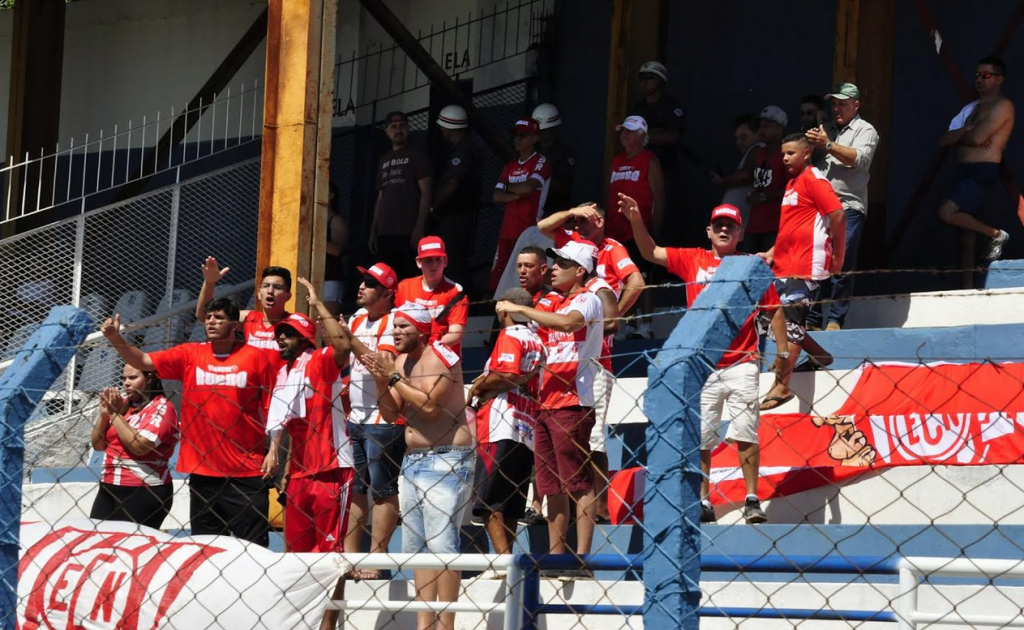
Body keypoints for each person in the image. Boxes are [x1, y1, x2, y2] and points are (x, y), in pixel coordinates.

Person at [620, 194, 789, 524]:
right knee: (701, 437)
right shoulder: (691, 259)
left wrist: (782, 353)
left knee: (746, 432)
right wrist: (636, 219)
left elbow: (774, 310)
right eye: (719, 226)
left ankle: (752, 499)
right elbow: (649, 252)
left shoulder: (751, 266)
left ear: (741, 234)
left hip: (743, 361)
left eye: (731, 226)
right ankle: (703, 500)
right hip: (704, 366)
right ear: (708, 232)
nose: (724, 230)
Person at [101, 297, 276, 545]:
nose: (212, 322)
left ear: (236, 325)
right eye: (209, 317)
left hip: (246, 471)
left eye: (220, 317)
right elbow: (143, 361)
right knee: (206, 550)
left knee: (255, 548)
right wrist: (115, 339)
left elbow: (274, 407)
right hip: (203, 474)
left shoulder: (256, 357)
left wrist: (276, 448)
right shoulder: (189, 353)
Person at [361, 303, 475, 630]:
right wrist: (382, 382)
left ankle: (446, 625)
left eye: (403, 327)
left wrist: (392, 376)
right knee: (416, 547)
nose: (395, 332)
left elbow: (428, 406)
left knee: (442, 545)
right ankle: (424, 625)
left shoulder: (441, 356)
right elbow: (392, 412)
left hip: (446, 460)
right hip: (412, 462)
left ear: (422, 330)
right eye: (394, 326)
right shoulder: (400, 361)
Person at [494, 239, 603, 578]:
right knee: (550, 485)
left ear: (580, 271)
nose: (553, 268)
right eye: (553, 262)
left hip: (573, 402)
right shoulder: (552, 300)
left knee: (578, 482)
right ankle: (558, 558)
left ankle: (581, 559)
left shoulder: (589, 299)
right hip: (544, 402)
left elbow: (569, 324)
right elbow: (528, 336)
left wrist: (522, 310)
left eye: (561, 264)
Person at [538, 203, 638, 520]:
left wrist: (594, 319)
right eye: (576, 221)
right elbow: (541, 227)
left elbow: (634, 284)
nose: (579, 225)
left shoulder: (605, 262)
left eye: (586, 220)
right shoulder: (570, 247)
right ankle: (565, 505)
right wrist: (570, 212)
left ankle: (599, 507)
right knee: (556, 439)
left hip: (595, 363)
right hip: (560, 368)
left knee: (593, 440)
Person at [265, 284, 353, 630]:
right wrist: (281, 461)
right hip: (300, 475)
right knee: (296, 560)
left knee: (331, 559)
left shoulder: (319, 361)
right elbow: (290, 426)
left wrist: (318, 305)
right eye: (279, 335)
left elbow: (343, 345)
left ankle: (327, 626)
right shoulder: (283, 374)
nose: (280, 340)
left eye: (288, 335)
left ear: (305, 338)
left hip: (332, 469)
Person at [757, 134, 846, 410]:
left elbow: (838, 215)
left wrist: (839, 258)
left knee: (791, 319)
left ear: (806, 153)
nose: (784, 158)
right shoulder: (792, 183)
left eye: (790, 153)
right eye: (783, 154)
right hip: (786, 263)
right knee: (773, 318)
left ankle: (782, 385)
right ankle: (820, 356)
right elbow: (792, 226)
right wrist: (773, 252)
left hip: (805, 264)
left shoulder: (813, 178)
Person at [468, 287, 544, 575]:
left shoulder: (510, 336)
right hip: (525, 425)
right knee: (510, 501)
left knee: (487, 499)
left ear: (506, 309)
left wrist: (477, 387)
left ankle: (502, 562)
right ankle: (507, 559)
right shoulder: (537, 340)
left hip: (499, 422)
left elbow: (508, 375)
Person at [341, 262, 402, 577]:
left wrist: (348, 339)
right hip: (356, 416)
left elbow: (381, 363)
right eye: (362, 280)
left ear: (387, 293)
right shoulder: (356, 319)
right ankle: (351, 561)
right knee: (357, 490)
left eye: (370, 283)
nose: (361, 286)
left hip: (383, 419)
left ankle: (377, 561)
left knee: (382, 489)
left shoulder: (394, 322)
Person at [806, 83, 880, 330]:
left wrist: (827, 144)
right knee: (816, 260)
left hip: (847, 204)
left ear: (856, 105)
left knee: (842, 260)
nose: (836, 108)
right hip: (819, 206)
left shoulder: (865, 130)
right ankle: (814, 319)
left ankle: (836, 318)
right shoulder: (825, 129)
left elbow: (859, 160)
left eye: (842, 104)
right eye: (834, 104)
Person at [937, 56, 1016, 288]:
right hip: (964, 169)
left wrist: (965, 134)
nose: (980, 80)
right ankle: (968, 288)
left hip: (983, 170)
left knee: (946, 212)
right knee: (965, 235)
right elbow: (944, 140)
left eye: (987, 75)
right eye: (978, 76)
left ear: (1000, 79)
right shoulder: (972, 108)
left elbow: (977, 138)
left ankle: (995, 234)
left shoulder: (1003, 105)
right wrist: (968, 131)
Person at [89, 365, 179, 529]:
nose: (126, 383)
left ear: (150, 379)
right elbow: (98, 445)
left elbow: (139, 447)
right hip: (109, 485)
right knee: (99, 540)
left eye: (133, 378)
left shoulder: (162, 408)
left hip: (143, 489)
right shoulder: (122, 405)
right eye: (124, 379)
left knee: (131, 545)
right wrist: (104, 414)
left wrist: (114, 414)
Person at [606, 115, 664, 339]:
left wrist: (653, 230)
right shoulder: (616, 161)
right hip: (616, 230)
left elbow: (659, 197)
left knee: (644, 276)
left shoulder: (649, 160)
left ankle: (646, 326)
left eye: (630, 131)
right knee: (623, 278)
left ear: (642, 135)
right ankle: (628, 325)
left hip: (639, 229)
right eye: (623, 131)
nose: (624, 135)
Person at [197, 260, 293, 372]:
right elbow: (203, 316)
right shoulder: (249, 318)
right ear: (258, 293)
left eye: (277, 287)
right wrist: (209, 283)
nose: (270, 291)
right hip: (252, 387)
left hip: (281, 387)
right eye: (266, 286)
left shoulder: (294, 323)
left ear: (288, 296)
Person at [370, 111, 433, 279]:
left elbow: (426, 192)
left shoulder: (418, 155)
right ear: (386, 131)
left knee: (409, 279)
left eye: (402, 125)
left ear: (408, 128)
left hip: (408, 232)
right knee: (386, 280)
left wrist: (419, 226)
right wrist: (373, 230)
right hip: (385, 233)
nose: (398, 130)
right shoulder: (383, 160)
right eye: (393, 127)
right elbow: (381, 196)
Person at [491, 118, 551, 291]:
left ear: (535, 138)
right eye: (515, 135)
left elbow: (528, 188)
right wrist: (517, 194)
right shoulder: (510, 166)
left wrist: (508, 189)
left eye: (523, 135)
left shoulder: (541, 161)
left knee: (525, 277)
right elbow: (496, 196)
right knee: (500, 276)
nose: (517, 139)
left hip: (529, 230)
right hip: (507, 230)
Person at [432, 105, 481, 291]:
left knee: (455, 259)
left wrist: (434, 208)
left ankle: (459, 300)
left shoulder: (462, 152)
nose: (441, 130)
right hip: (462, 214)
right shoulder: (470, 148)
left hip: (456, 215)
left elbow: (452, 184)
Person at [394, 236, 469, 355]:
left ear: (445, 261)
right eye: (428, 260)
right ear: (418, 262)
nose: (434, 264)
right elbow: (393, 325)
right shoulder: (404, 287)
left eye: (438, 259)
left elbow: (456, 334)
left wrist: (428, 351)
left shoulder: (456, 292)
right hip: (409, 357)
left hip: (441, 360)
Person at [744, 105, 789, 253]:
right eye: (760, 126)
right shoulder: (757, 152)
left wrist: (764, 196)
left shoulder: (787, 154)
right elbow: (746, 176)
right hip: (754, 223)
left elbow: (793, 190)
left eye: (767, 126)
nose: (762, 130)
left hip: (776, 224)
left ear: (780, 128)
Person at [712, 115, 765, 228]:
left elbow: (745, 176)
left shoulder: (758, 148)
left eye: (743, 137)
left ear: (758, 134)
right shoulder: (751, 152)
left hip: (742, 228)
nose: (738, 143)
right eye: (737, 138)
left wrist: (722, 181)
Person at [533, 103, 576, 216]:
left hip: (554, 212)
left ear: (553, 129)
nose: (539, 133)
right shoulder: (532, 151)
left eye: (543, 130)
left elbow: (564, 188)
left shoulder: (563, 154)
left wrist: (541, 176)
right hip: (532, 209)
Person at [324, 182, 349, 317]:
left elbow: (338, 250)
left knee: (328, 321)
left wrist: (315, 238)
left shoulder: (336, 220)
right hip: (311, 277)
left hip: (330, 278)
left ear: (331, 195)